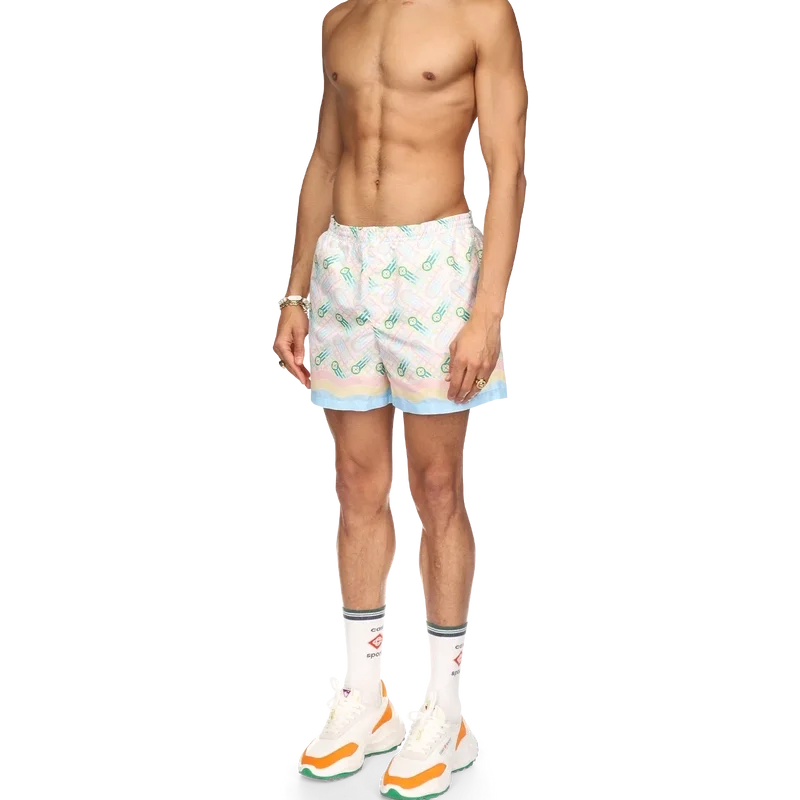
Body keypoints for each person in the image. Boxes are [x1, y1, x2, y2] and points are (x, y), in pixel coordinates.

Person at [275, 0, 527, 795]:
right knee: (354, 482)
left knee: (436, 485)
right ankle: (365, 695)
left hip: (435, 265)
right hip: (344, 264)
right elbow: (325, 156)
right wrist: (295, 292)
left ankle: (446, 709)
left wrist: (487, 311)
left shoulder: (479, 12)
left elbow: (507, 163)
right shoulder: (342, 15)